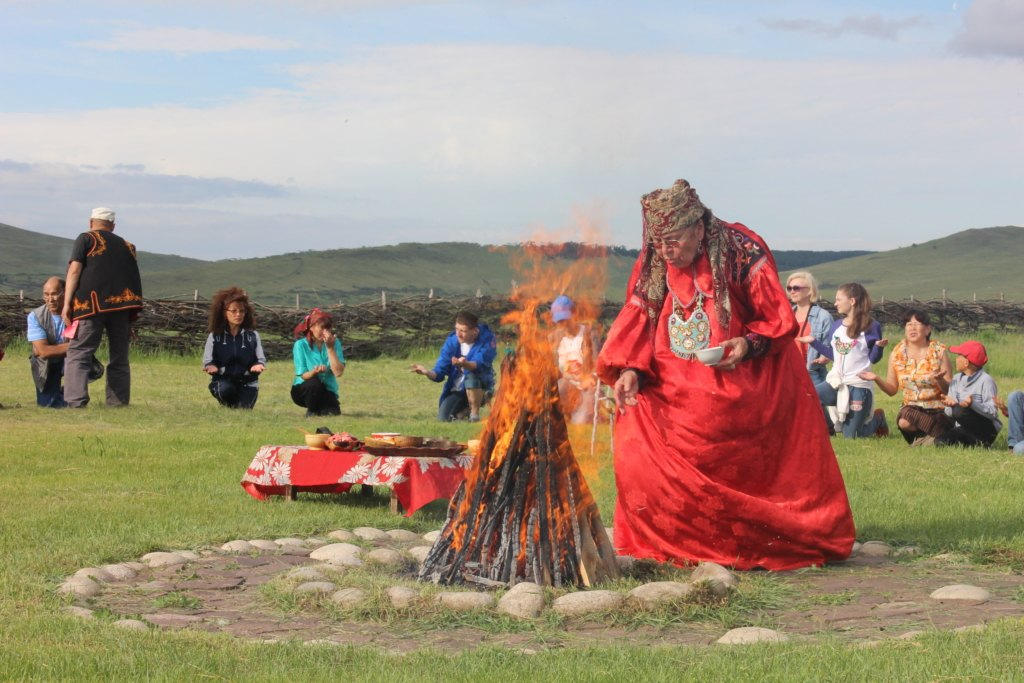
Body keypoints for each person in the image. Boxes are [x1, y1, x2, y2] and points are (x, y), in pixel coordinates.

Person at [596, 178, 855, 571]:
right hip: (669, 377)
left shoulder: (741, 249)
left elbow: (776, 319)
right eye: (659, 240)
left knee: (721, 422)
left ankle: (747, 539)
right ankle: (666, 539)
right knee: (634, 429)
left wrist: (747, 345)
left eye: (676, 239)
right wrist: (631, 368)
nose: (667, 249)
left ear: (698, 228)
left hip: (742, 369)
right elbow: (641, 316)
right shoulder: (655, 257)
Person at [60, 207, 143, 407]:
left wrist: (67, 303)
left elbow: (74, 271)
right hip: (121, 308)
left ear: (91, 222)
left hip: (91, 306)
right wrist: (131, 313)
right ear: (113, 226)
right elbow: (132, 279)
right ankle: (118, 404)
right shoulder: (128, 245)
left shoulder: (86, 238)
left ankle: (75, 401)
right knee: (119, 357)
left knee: (79, 352)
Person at [804, 283, 889, 439]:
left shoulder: (871, 326)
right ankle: (827, 430)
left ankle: (878, 419)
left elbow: (873, 359)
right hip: (837, 382)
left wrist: (878, 347)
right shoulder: (836, 326)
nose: (835, 303)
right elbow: (835, 354)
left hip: (859, 384)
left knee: (853, 436)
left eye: (838, 299)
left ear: (852, 301)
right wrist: (813, 342)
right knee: (809, 396)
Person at [858, 309, 952, 446]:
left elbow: (950, 390)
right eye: (908, 324)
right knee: (904, 420)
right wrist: (876, 378)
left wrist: (940, 380)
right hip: (912, 409)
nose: (912, 328)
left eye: (917, 324)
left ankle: (930, 440)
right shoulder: (897, 353)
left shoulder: (938, 351)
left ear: (927, 329)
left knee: (935, 420)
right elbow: (891, 390)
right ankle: (934, 439)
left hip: (938, 409)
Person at [411, 311, 497, 422]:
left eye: (463, 331)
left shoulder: (487, 340)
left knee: (470, 375)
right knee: (443, 418)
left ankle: (475, 413)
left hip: (480, 384)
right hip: (458, 389)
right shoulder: (451, 342)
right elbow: (439, 372)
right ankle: (464, 412)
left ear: (474, 331)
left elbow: (479, 364)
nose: (458, 334)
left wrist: (464, 364)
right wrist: (427, 372)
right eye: (457, 329)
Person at [202, 287, 266, 409]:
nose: (238, 314)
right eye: (234, 311)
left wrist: (258, 364)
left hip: (248, 383)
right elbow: (207, 360)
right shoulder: (214, 336)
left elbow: (260, 359)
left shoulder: (253, 335)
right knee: (225, 391)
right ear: (224, 313)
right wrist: (210, 366)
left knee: (243, 410)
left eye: (242, 311)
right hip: (223, 381)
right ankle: (227, 401)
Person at [936, 341, 1001, 447]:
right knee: (940, 442)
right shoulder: (956, 379)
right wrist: (951, 405)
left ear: (966, 362)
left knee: (959, 410)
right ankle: (976, 444)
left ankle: (983, 441)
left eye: (958, 356)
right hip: (963, 428)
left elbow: (993, 412)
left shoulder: (986, 381)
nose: (955, 359)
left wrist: (972, 404)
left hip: (985, 430)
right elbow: (949, 412)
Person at [548, 295, 600, 424]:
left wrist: (592, 377)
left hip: (588, 386)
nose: (563, 324)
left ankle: (594, 415)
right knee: (557, 390)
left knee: (580, 423)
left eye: (565, 319)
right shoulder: (554, 338)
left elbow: (600, 363)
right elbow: (554, 369)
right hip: (567, 387)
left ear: (574, 314)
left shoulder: (589, 333)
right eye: (559, 320)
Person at [291, 308, 345, 416]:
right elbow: (303, 375)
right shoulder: (300, 345)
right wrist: (314, 372)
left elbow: (338, 372)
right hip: (304, 388)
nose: (326, 332)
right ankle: (312, 411)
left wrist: (330, 348)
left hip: (327, 388)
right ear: (311, 327)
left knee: (333, 413)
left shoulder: (335, 343)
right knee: (314, 383)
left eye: (328, 329)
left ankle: (320, 409)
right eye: (322, 328)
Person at [27, 277, 70, 407]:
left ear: (65, 292)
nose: (50, 299)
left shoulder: (76, 313)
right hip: (46, 364)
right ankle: (61, 393)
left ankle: (71, 392)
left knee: (75, 401)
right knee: (48, 404)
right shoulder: (35, 316)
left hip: (70, 361)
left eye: (55, 294)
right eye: (46, 294)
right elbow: (43, 352)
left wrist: (53, 349)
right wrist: (76, 346)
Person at [786, 271, 833, 385]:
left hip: (812, 375)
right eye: (789, 288)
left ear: (810, 290)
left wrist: (824, 357)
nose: (792, 291)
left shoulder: (823, 317)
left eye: (796, 288)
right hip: (787, 373)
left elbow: (829, 347)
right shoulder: (786, 315)